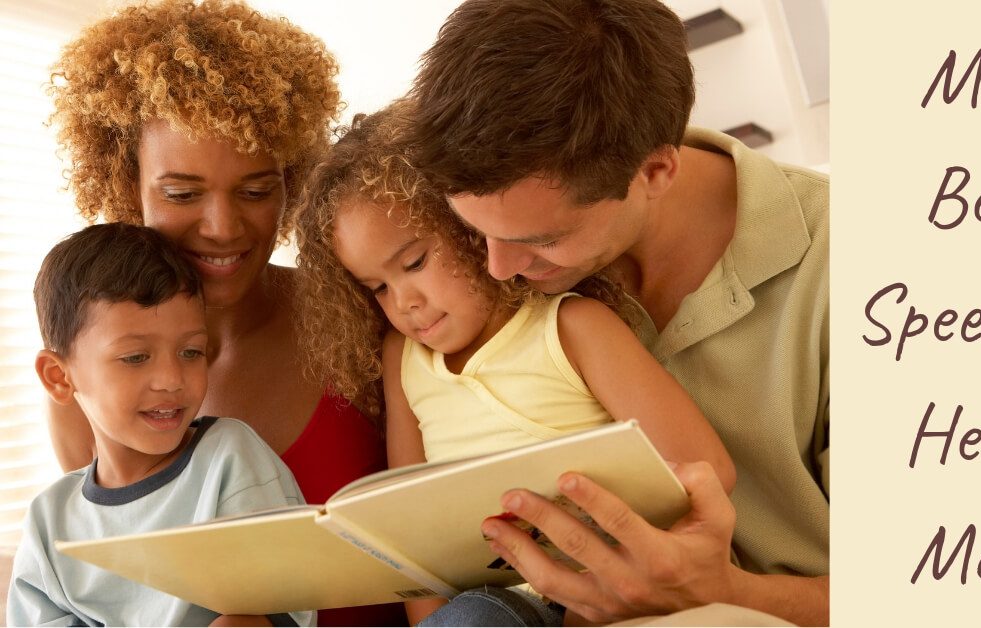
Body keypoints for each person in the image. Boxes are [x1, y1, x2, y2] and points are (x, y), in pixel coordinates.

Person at [404, 0, 830, 624]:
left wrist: (727, 592)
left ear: (656, 171)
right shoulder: (498, 273)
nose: (496, 269)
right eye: (473, 230)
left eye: (542, 239)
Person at [292, 100, 736, 626]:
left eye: (414, 263)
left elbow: (704, 471)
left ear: (470, 225)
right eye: (378, 288)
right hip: (495, 604)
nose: (404, 301)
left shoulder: (573, 326)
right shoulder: (403, 357)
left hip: (617, 584)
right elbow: (412, 523)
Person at [47, 1, 399, 623]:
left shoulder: (365, 313)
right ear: (126, 185)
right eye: (182, 193)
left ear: (293, 180)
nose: (223, 227)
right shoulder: (86, 379)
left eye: (257, 190)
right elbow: (112, 598)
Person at [8, 223, 312, 627]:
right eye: (135, 357)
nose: (172, 379)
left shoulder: (229, 460)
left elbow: (275, 613)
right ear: (59, 377)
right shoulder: (49, 522)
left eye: (191, 351)